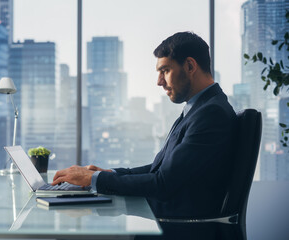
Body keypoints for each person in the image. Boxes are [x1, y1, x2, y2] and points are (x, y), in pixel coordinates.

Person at [52, 32, 237, 219]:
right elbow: (160, 169)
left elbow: (164, 184)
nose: (159, 81)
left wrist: (93, 179)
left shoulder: (211, 114)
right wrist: (109, 174)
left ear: (190, 66)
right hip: (164, 218)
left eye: (165, 70)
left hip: (177, 228)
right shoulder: (200, 108)